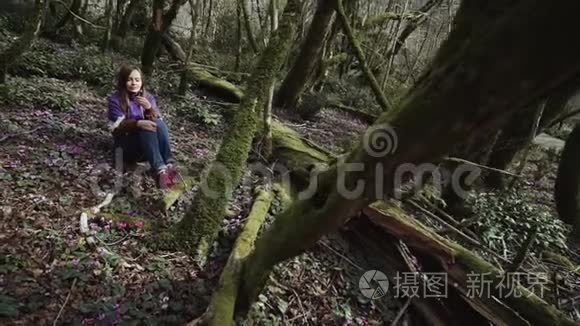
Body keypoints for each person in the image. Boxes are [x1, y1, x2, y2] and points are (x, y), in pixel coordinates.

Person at [107, 64, 178, 189]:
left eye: (137, 80)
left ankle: (168, 164)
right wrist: (138, 123)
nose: (134, 83)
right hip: (126, 146)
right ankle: (160, 171)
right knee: (145, 126)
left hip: (147, 147)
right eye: (130, 79)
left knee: (158, 123)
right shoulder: (115, 100)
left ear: (141, 82)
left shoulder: (148, 98)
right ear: (123, 81)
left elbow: (157, 123)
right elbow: (117, 127)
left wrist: (149, 109)